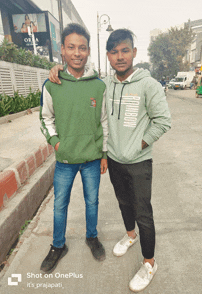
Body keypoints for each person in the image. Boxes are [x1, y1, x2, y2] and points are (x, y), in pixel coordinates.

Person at [48, 28, 171, 292]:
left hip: (138, 162)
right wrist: (57, 68)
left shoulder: (148, 85)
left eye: (125, 50)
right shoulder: (106, 83)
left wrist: (138, 144)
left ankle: (149, 262)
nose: (120, 57)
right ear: (107, 56)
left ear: (134, 53)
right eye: (114, 52)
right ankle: (129, 236)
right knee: (123, 202)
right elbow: (80, 78)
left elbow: (163, 122)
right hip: (113, 160)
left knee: (143, 212)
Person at [39, 23, 108, 274]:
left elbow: (104, 122)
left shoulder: (99, 86)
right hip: (65, 161)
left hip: (91, 159)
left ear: (88, 51)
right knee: (60, 205)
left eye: (82, 48)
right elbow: (45, 119)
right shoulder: (52, 84)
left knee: (92, 201)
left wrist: (103, 154)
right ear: (62, 50)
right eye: (71, 47)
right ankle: (58, 245)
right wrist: (57, 143)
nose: (77, 53)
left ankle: (92, 237)